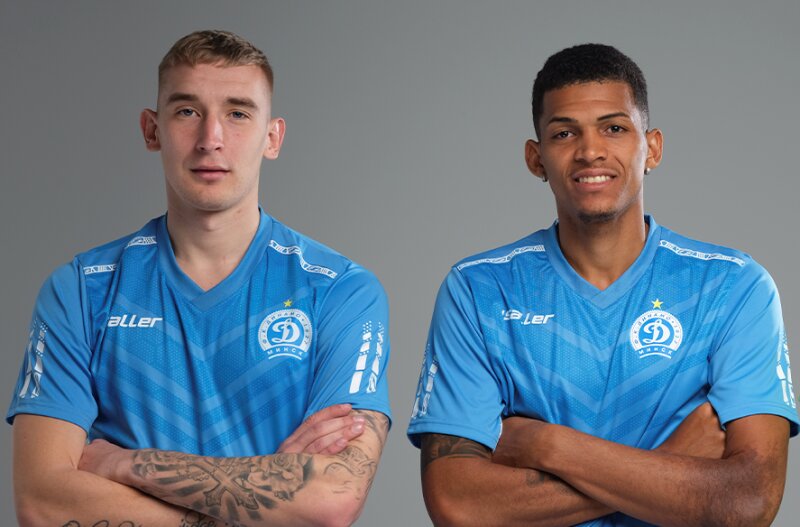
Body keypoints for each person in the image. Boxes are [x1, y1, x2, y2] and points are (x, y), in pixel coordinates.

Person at [8, 30, 391, 527]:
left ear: (272, 137)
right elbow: (42, 502)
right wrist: (270, 493)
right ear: (152, 130)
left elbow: (332, 499)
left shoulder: (340, 290)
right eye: (187, 111)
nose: (211, 138)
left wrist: (125, 464)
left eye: (238, 114)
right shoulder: (81, 291)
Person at [407, 43, 798, 527]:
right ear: (536, 158)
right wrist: (670, 461)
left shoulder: (734, 287)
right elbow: (458, 505)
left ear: (652, 148)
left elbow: (749, 502)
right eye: (564, 133)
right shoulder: (479, 290)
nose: (590, 151)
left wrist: (546, 444)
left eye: (614, 128)